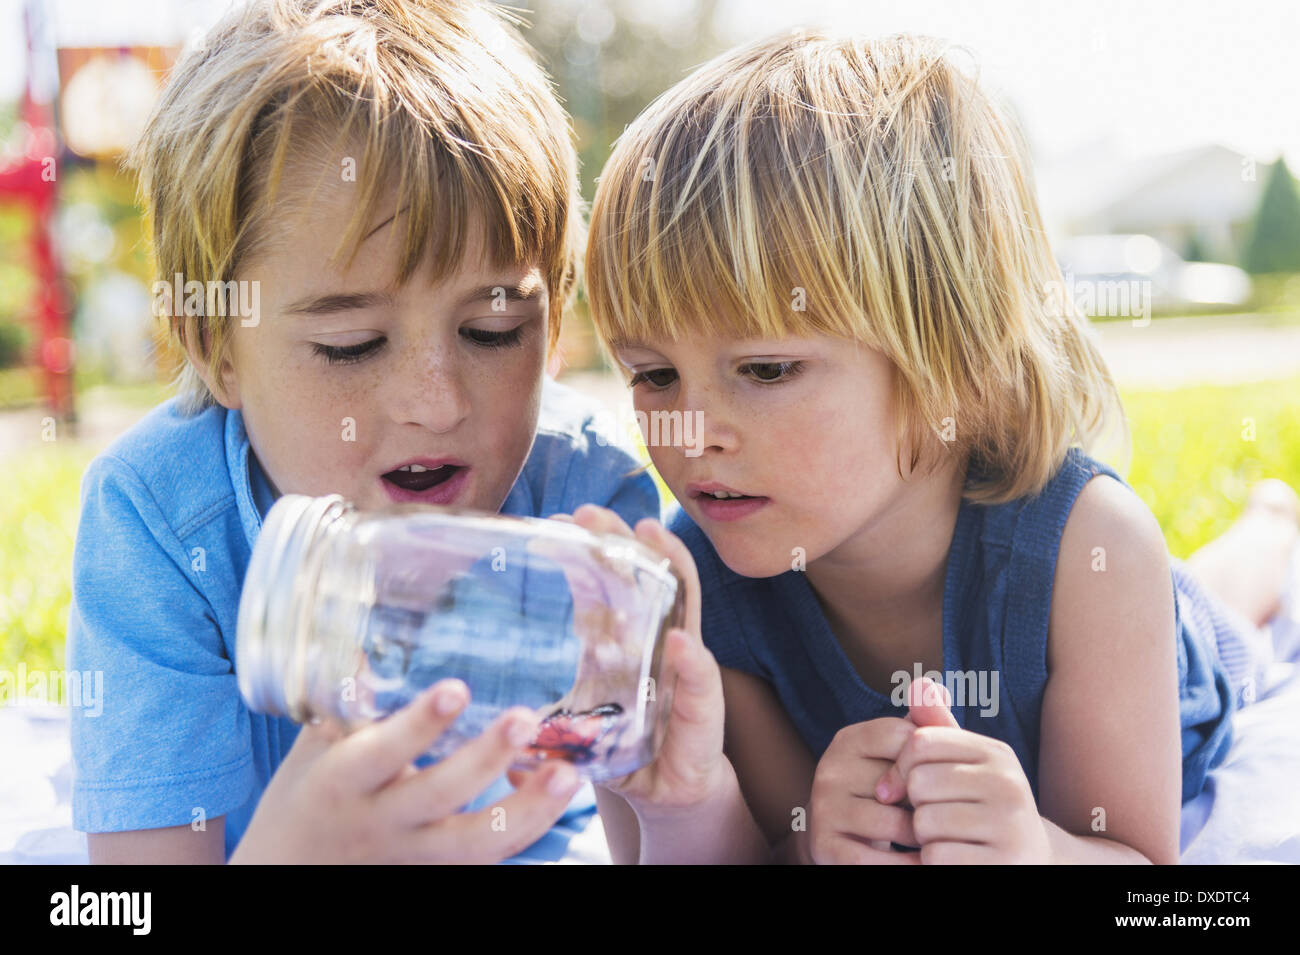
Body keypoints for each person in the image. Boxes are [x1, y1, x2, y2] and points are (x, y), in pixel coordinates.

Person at [572, 29, 1300, 864]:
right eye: (653, 373)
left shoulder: (1091, 550)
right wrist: (814, 844)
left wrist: (1037, 847)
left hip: (1167, 648)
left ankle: (1272, 522)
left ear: (952, 360)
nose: (688, 429)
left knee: (1226, 605)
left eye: (766, 367)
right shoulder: (709, 592)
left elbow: (1135, 862)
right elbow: (767, 842)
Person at [67, 0, 661, 864]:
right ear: (214, 344)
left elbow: (647, 826)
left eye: (493, 331)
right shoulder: (159, 524)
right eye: (351, 345)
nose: (437, 401)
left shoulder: (583, 493)